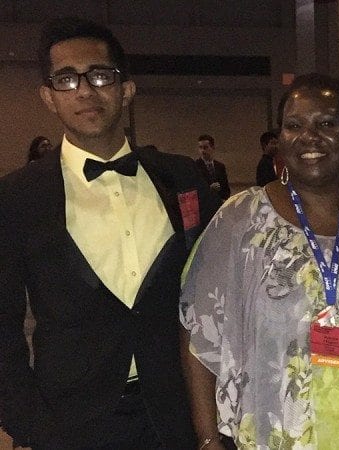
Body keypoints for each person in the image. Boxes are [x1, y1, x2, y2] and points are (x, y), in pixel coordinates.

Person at [0, 17, 219, 449]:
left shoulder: (181, 179)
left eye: (100, 75)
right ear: (48, 96)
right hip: (72, 423)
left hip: (175, 417)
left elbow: (224, 279)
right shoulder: (17, 197)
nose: (85, 90)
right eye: (66, 79)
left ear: (127, 90)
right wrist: (29, 423)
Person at [179, 73, 339, 449]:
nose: (309, 137)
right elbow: (196, 326)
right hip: (281, 434)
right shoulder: (242, 221)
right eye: (294, 125)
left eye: (327, 123)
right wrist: (207, 439)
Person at [196, 134, 231, 200]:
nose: (202, 151)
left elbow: (226, 189)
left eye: (205, 147)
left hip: (218, 203)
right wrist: (209, 189)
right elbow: (194, 189)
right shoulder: (195, 166)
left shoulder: (220, 166)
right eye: (200, 147)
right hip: (204, 204)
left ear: (212, 148)